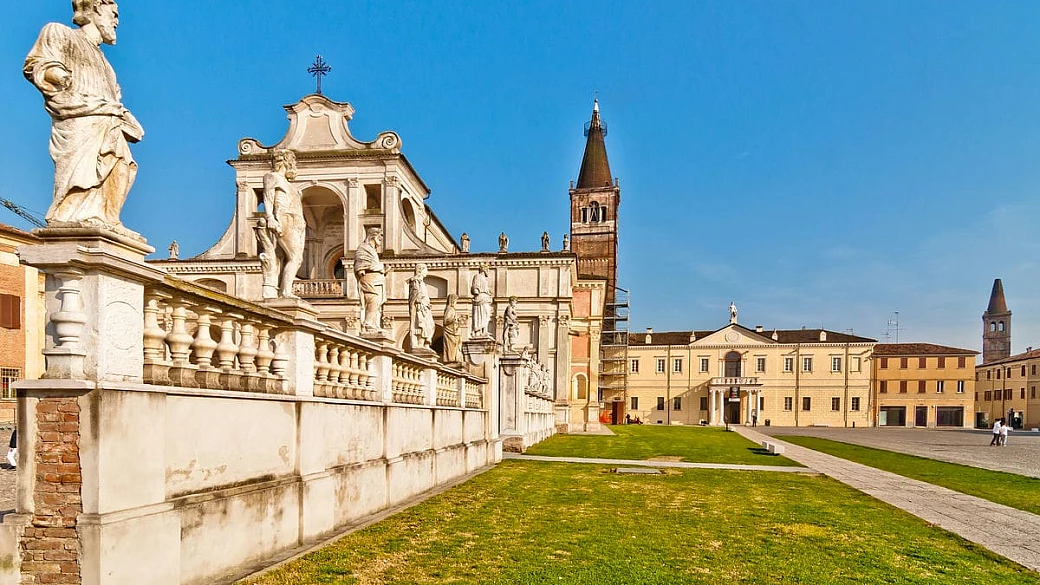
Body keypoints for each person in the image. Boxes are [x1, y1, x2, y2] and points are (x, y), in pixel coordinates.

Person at [24, 0, 144, 232]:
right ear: (97, 8)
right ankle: (74, 214)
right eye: (114, 13)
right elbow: (35, 64)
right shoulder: (60, 33)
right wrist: (55, 73)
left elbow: (113, 99)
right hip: (80, 121)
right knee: (82, 174)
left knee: (123, 166)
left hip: (108, 123)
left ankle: (108, 218)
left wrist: (125, 116)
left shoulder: (107, 65)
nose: (117, 21)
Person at [257, 150, 305, 299]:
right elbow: (268, 198)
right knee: (295, 257)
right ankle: (285, 292)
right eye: (293, 161)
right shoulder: (272, 177)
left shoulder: (288, 184)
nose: (294, 165)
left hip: (297, 222)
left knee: (295, 258)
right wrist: (270, 217)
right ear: (286, 161)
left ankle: (283, 290)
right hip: (284, 218)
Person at [354, 227, 387, 332]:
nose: (381, 238)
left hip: (377, 280)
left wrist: (382, 269)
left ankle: (374, 324)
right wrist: (379, 267)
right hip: (369, 279)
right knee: (373, 300)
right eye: (380, 236)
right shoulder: (363, 248)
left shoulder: (372, 250)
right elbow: (360, 263)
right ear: (373, 235)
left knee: (377, 303)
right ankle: (368, 324)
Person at [407, 263, 435, 351]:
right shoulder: (416, 280)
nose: (427, 271)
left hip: (425, 307)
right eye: (426, 269)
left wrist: (427, 303)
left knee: (430, 325)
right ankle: (420, 344)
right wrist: (418, 300)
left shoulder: (421, 282)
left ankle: (425, 344)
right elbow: (415, 294)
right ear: (420, 270)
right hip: (420, 307)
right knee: (421, 325)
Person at [470, 263, 492, 337]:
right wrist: (476, 291)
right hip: (480, 297)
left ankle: (485, 330)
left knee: (487, 314)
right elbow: (474, 286)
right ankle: (478, 331)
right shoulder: (477, 276)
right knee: (480, 314)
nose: (488, 271)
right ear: (484, 269)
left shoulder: (485, 279)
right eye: (487, 269)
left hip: (485, 297)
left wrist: (489, 293)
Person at [442, 294, 461, 363]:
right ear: (452, 301)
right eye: (455, 300)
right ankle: (450, 359)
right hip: (450, 331)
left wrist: (457, 321)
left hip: (454, 331)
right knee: (451, 346)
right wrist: (453, 320)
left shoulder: (453, 309)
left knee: (456, 345)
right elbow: (445, 321)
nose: (456, 302)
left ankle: (454, 358)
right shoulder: (450, 309)